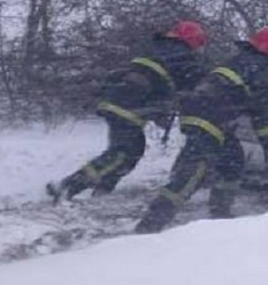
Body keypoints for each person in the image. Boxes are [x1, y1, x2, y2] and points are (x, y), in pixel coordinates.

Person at [134, 26, 268, 234]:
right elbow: (260, 112)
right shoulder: (261, 66)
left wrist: (267, 99)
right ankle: (151, 223)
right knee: (193, 173)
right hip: (211, 118)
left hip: (204, 113)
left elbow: (240, 94)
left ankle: (221, 214)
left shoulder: (242, 60)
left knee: (233, 162)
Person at [47, 21, 208, 203]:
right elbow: (195, 83)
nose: (198, 50)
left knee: (128, 151)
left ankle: (102, 191)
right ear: (193, 40)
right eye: (199, 44)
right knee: (124, 152)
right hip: (129, 107)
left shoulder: (160, 48)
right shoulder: (182, 56)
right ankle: (68, 186)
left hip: (118, 101)